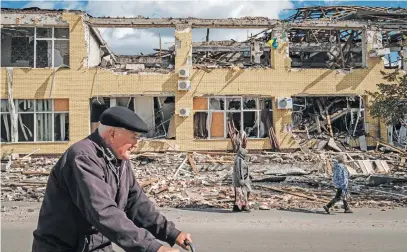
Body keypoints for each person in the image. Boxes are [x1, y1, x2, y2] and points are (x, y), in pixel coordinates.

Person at [32, 106, 192, 252]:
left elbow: (136, 203)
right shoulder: (83, 157)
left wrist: (172, 233)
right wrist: (153, 247)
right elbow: (103, 211)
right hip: (64, 247)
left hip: (95, 245)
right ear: (112, 134)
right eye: (134, 137)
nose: (137, 143)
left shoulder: (119, 160)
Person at [232, 131, 252, 212]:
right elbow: (240, 170)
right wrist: (241, 180)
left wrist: (249, 175)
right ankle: (244, 206)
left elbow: (244, 169)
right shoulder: (239, 160)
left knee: (239, 193)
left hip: (244, 178)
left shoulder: (241, 159)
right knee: (246, 191)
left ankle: (238, 206)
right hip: (241, 179)